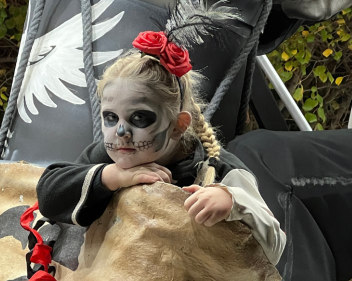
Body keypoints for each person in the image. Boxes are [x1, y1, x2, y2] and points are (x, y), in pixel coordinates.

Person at [36, 30, 286, 265]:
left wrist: (233, 202)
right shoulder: (111, 156)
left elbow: (275, 248)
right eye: (111, 118)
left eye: (139, 118)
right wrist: (112, 176)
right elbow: (48, 194)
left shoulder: (219, 169)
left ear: (178, 126)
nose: (121, 132)